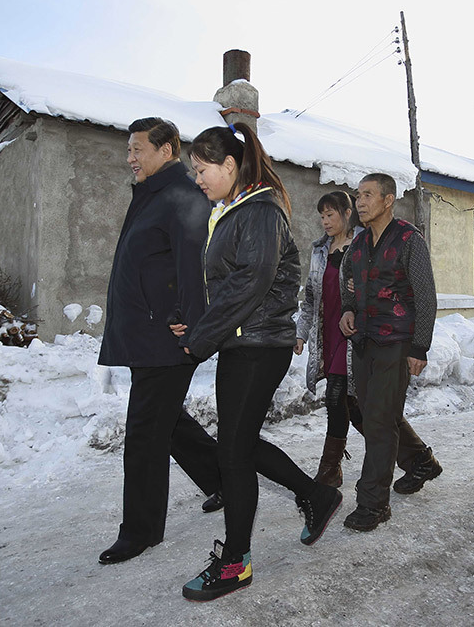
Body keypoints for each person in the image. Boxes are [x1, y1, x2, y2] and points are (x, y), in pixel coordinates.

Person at [175, 122, 342, 602]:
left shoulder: (261, 210)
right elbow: (229, 286)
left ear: (229, 165)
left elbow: (250, 283)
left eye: (202, 170)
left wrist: (200, 339)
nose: (198, 179)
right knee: (239, 445)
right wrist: (198, 323)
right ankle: (315, 495)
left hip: (259, 346)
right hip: (243, 342)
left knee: (232, 452)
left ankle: (236, 562)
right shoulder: (235, 211)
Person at [97, 117, 221, 566]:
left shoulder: (181, 196)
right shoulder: (151, 195)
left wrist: (190, 322)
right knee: (167, 423)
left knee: (145, 434)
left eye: (138, 149)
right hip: (147, 334)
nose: (130, 158)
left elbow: (193, 265)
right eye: (128, 150)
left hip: (167, 337)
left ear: (166, 149)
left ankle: (141, 531)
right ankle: (222, 480)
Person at [338, 173, 441, 532]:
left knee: (380, 420)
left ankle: (373, 503)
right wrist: (348, 309)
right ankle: (421, 461)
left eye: (368, 195)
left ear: (388, 200)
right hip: (364, 340)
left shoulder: (410, 239)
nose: (360, 202)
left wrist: (419, 347)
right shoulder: (358, 242)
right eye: (358, 195)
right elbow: (348, 282)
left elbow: (426, 297)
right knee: (374, 416)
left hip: (397, 342)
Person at [295, 191, 364, 486]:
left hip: (355, 335)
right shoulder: (320, 250)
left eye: (330, 214)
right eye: (322, 216)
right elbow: (311, 298)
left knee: (336, 396)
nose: (324, 221)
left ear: (347, 213)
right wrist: (301, 333)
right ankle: (413, 455)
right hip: (329, 334)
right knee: (352, 404)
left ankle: (329, 469)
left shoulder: (364, 244)